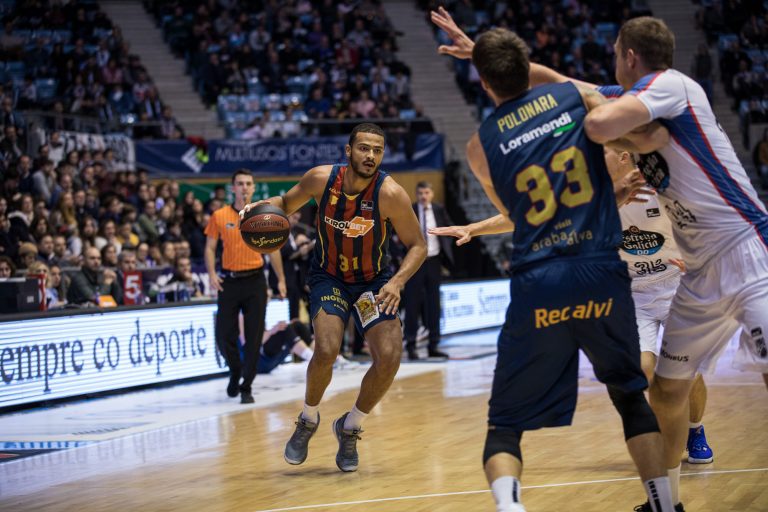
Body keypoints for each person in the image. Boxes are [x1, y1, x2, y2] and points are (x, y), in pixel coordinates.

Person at [428, 18, 675, 512]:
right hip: (599, 269)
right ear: (528, 66)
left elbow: (516, 214)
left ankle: (510, 506)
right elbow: (628, 130)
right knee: (630, 397)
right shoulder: (574, 96)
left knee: (504, 424)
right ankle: (666, 504)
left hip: (539, 277)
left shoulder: (479, 147)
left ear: (484, 82)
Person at [578, 18, 768, 510]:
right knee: (663, 389)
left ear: (630, 56)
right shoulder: (627, 168)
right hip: (685, 281)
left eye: (616, 53)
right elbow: (574, 89)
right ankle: (666, 503)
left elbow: (600, 122)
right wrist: (506, 66)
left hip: (741, 252)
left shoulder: (672, 91)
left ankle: (696, 432)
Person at [240, 123, 427, 472]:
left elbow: (418, 245)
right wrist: (259, 208)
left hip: (373, 283)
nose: (370, 156)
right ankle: (308, 419)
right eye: (364, 148)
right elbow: (285, 203)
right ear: (348, 151)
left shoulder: (390, 194)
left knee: (389, 356)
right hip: (330, 278)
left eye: (377, 150)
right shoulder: (321, 179)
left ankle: (350, 426)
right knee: (326, 349)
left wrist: (398, 282)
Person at [605, 149, 714, 465]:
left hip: (676, 287)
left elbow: (702, 222)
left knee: (686, 372)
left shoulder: (660, 187)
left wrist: (697, 257)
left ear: (624, 156)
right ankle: (667, 428)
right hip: (635, 294)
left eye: (602, 153)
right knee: (643, 369)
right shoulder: (598, 198)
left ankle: (695, 429)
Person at [204, 168, 286, 405]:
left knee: (254, 336)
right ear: (233, 188)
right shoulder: (219, 215)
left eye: (248, 183)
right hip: (229, 282)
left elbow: (273, 249)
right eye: (240, 183)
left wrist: (280, 279)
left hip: (255, 281)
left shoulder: (263, 216)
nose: (244, 187)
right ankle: (235, 369)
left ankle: (246, 386)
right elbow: (210, 247)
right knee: (223, 334)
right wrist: (211, 273)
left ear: (253, 187)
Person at [403, 181, 454, 360]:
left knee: (434, 305)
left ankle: (434, 345)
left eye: (426, 193)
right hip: (414, 262)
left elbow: (450, 229)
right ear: (416, 194)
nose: (424, 196)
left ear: (431, 194)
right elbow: (398, 233)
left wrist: (446, 251)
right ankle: (411, 345)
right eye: (420, 193)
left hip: (434, 261)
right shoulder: (410, 210)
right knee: (412, 304)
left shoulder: (439, 210)